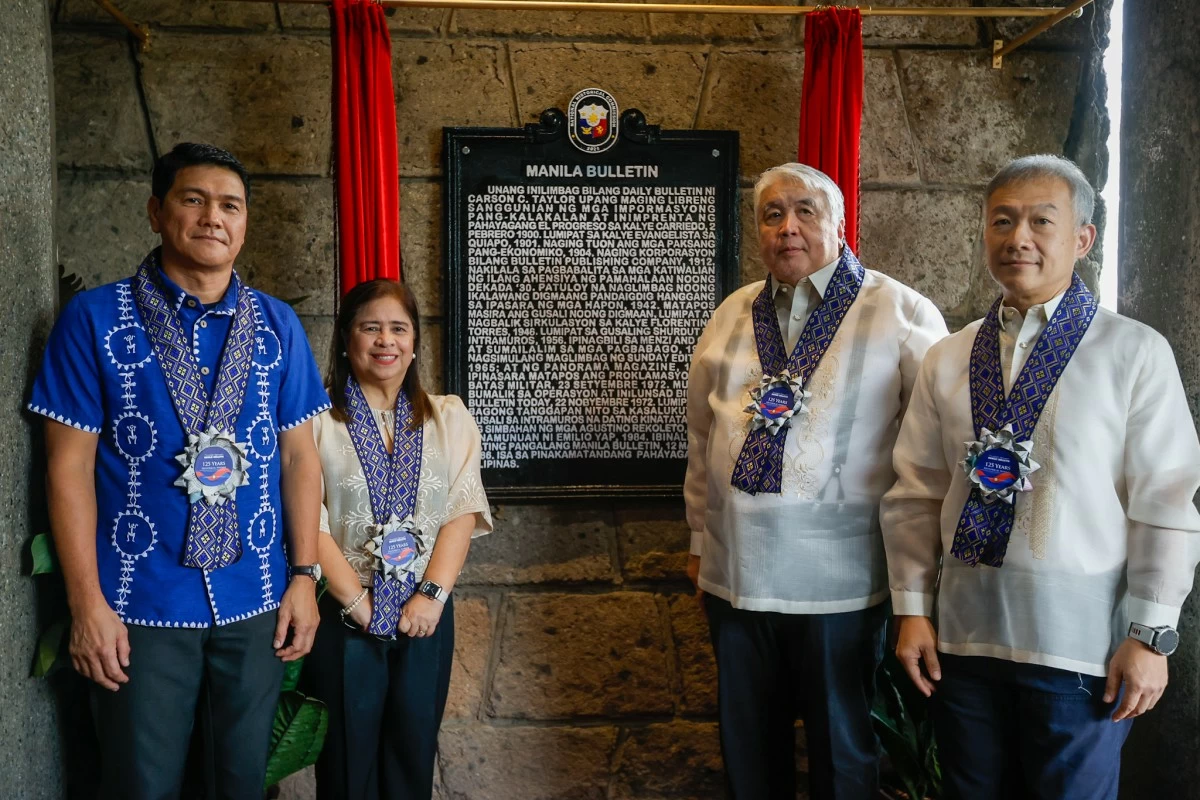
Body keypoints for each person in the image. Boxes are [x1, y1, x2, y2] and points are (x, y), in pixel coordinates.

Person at [881, 154, 1200, 800]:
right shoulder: (949, 357)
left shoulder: (1132, 353)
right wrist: (912, 610)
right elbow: (915, 493)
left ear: (1082, 238)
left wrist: (1151, 635)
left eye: (1040, 221)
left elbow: (1164, 502)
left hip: (1082, 654)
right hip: (965, 645)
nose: (1017, 237)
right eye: (1002, 220)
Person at [30, 142, 330, 799]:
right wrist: (86, 607)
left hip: (254, 599)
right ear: (156, 212)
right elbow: (68, 467)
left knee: (239, 784)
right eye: (193, 200)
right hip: (139, 604)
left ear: (245, 222)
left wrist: (305, 576)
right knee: (141, 786)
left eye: (230, 205)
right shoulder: (96, 320)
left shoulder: (277, 326)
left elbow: (300, 457)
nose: (212, 217)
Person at [684, 162, 948, 799]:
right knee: (749, 754)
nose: (788, 227)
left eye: (804, 210)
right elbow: (699, 439)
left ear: (839, 222)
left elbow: (931, 460)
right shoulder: (730, 315)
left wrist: (920, 587)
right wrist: (698, 542)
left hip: (844, 586)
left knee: (844, 752)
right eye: (772, 215)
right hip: (738, 579)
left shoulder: (901, 312)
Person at [302, 278, 492, 800]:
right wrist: (357, 600)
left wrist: (432, 597)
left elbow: (461, 509)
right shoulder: (315, 422)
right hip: (343, 614)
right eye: (370, 328)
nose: (385, 340)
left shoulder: (448, 417)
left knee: (411, 760)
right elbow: (307, 519)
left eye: (398, 329)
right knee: (345, 766)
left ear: (413, 343)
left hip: (425, 615)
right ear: (346, 339)